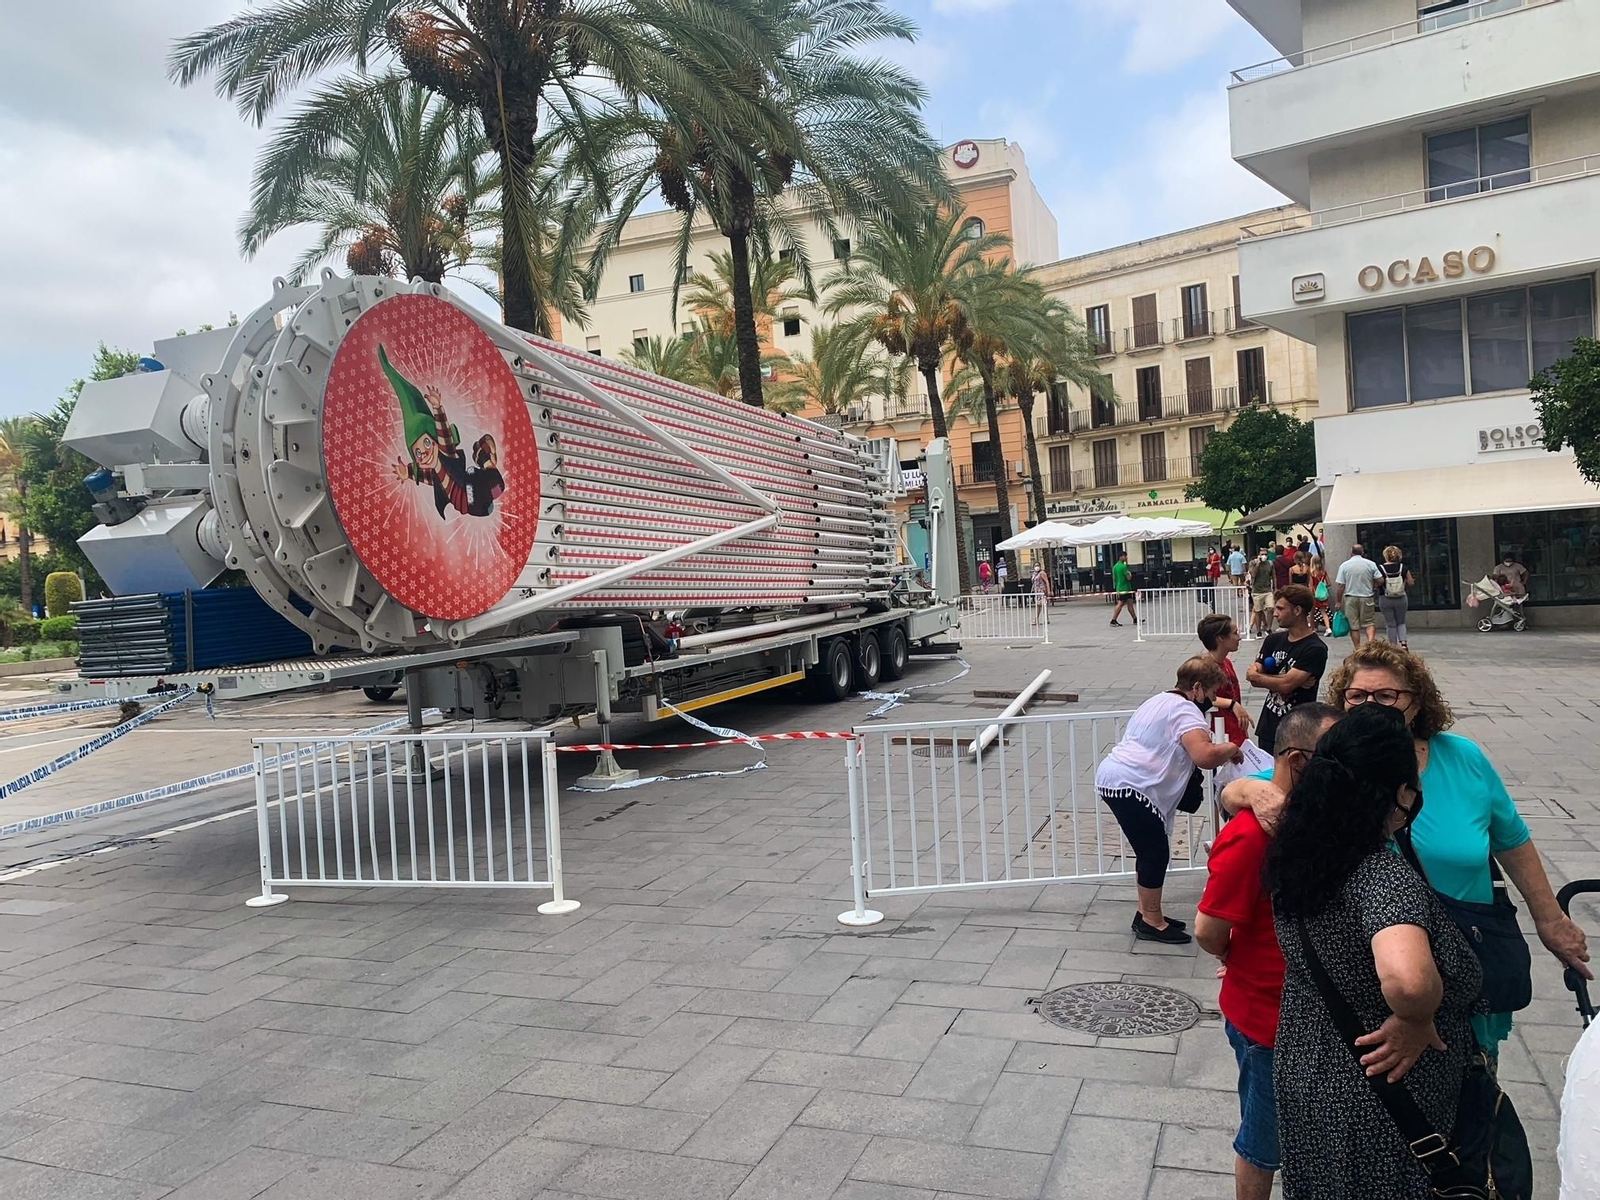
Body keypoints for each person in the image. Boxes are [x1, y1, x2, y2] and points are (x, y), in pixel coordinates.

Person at [1232, 641, 1593, 1056]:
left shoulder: (1463, 759)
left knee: (1471, 1086)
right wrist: (1248, 790)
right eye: (1357, 696)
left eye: (1387, 696)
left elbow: (1511, 839)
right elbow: (1256, 783)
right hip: (1370, 976)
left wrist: (1550, 919)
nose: (1371, 706)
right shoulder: (1329, 763)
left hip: (1462, 951)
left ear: (1416, 703)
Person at [1266, 703, 1481, 1200]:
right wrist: (1415, 1017)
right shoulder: (1379, 875)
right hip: (1380, 1100)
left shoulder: (1299, 851)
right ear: (1401, 794)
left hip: (1308, 1065)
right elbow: (1406, 978)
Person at [1197, 703, 1341, 1200]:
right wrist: (1233, 959)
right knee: (1263, 1143)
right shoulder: (1253, 834)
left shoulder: (1312, 814)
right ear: (1300, 761)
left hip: (1311, 1009)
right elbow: (1208, 928)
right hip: (1267, 1020)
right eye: (1336, 758)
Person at [1094, 656, 1244, 944]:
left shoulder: (1158, 700)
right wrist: (1230, 747)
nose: (1212, 701)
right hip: (1133, 784)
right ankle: (1151, 920)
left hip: (1119, 778)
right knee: (1155, 852)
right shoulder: (1187, 711)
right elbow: (1204, 756)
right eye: (1211, 694)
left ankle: (1147, 913)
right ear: (1197, 688)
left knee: (1151, 850)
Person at [1247, 584, 1327, 756]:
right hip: (1268, 728)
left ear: (1297, 610)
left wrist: (1271, 679)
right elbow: (1253, 675)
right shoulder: (1273, 640)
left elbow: (1286, 685)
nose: (1275, 613)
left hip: (1298, 731)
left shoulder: (1315, 648)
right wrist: (1284, 680)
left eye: (1280, 609)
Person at [1197, 613, 1252, 747]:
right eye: (1235, 633)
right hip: (1219, 734)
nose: (1239, 637)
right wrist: (1232, 704)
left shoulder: (1226, 662)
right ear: (1221, 638)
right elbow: (1201, 696)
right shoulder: (1204, 666)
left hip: (1235, 731)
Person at [1334, 542, 1383, 650]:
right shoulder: (1370, 564)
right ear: (1362, 552)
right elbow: (1380, 580)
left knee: (1353, 626)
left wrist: (1338, 601)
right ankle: (1370, 644)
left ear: (1351, 552)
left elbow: (1341, 585)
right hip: (1367, 596)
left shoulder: (1344, 565)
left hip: (1351, 597)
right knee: (1369, 622)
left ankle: (1358, 648)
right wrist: (1373, 584)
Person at [1378, 544, 1415, 649]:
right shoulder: (1403, 567)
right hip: (1401, 598)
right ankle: (1403, 643)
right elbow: (1411, 582)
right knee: (1401, 621)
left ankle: (1393, 646)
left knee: (1390, 623)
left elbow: (1378, 582)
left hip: (1385, 598)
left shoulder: (1380, 568)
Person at [1247, 549, 1274, 637]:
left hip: (1267, 590)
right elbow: (1253, 574)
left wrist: (1275, 587)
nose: (1264, 556)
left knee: (1270, 608)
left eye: (1265, 554)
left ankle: (1269, 628)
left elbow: (1273, 576)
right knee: (1258, 611)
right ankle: (1258, 630)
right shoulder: (1253, 563)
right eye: (1262, 554)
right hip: (1257, 591)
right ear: (1258, 555)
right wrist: (1258, 563)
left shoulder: (1270, 564)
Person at [1109, 551, 1136, 628]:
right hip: (1125, 588)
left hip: (1119, 587)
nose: (1126, 557)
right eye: (1125, 556)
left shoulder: (1115, 566)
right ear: (1121, 557)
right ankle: (1113, 620)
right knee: (1120, 603)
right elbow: (1128, 577)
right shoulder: (1123, 567)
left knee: (1130, 603)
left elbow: (1114, 578)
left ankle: (1135, 619)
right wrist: (1130, 574)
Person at [1308, 553, 1330, 633]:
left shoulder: (1312, 572)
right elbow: (1329, 583)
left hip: (1314, 594)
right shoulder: (1324, 572)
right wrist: (1322, 587)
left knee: (1312, 612)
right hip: (1322, 595)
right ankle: (1328, 628)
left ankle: (1312, 628)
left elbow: (1311, 585)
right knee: (1323, 612)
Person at [1030, 560, 1051, 626]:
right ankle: (1038, 619)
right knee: (1038, 605)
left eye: (1038, 565)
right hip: (1036, 591)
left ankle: (1042, 618)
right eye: (1035, 565)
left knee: (1042, 604)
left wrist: (1049, 590)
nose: (1037, 567)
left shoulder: (1042, 573)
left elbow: (1046, 581)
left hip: (1041, 591)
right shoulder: (1034, 573)